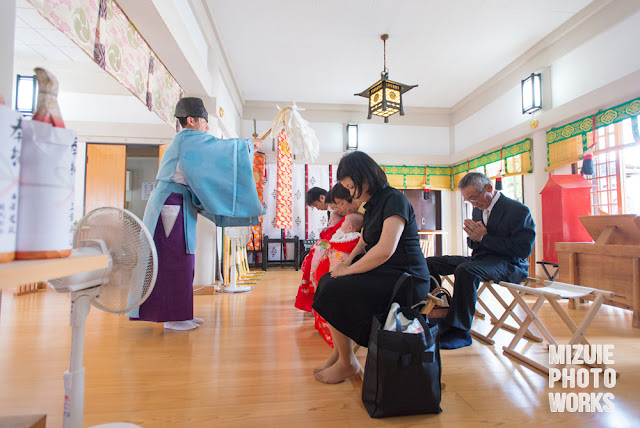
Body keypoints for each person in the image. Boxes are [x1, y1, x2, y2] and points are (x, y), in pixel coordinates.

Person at [128, 97, 264, 330]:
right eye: (204, 121)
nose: (207, 126)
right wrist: (247, 145)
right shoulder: (188, 139)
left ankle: (181, 313)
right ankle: (172, 317)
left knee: (183, 258)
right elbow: (220, 151)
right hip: (171, 203)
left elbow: (212, 156)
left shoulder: (188, 141)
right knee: (173, 258)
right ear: (190, 120)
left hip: (177, 202)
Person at [312, 151, 430, 384]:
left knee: (334, 289)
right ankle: (340, 353)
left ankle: (348, 363)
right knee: (327, 280)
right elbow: (365, 242)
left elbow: (385, 250)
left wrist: (348, 271)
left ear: (364, 178)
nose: (351, 193)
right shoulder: (374, 204)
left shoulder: (395, 200)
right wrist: (345, 264)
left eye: (351, 186)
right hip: (387, 273)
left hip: (406, 278)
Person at [426, 172, 535, 349]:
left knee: (465, 270)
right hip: (481, 260)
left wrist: (484, 238)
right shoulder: (478, 209)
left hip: (510, 264)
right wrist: (472, 236)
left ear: (489, 189)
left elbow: (523, 249)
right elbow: (476, 244)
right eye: (468, 200)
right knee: (429, 262)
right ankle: (438, 313)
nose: (472, 204)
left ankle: (459, 331)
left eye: (474, 198)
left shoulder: (517, 210)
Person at [294, 186, 360, 315]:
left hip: (339, 241)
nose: (339, 208)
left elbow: (339, 228)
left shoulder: (344, 211)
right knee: (311, 258)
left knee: (316, 260)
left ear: (322, 198)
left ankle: (316, 300)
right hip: (334, 238)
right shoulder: (334, 209)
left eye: (316, 205)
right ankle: (312, 299)